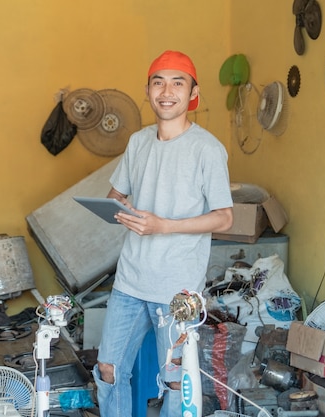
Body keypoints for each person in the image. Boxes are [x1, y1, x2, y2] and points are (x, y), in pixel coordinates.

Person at [92, 50, 234, 417]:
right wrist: (115, 209)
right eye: (158, 82)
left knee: (175, 380)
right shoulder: (138, 142)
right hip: (130, 281)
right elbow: (117, 195)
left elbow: (224, 218)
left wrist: (164, 226)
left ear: (193, 93)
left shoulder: (207, 149)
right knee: (108, 371)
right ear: (147, 90)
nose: (166, 91)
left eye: (177, 82)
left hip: (177, 290)